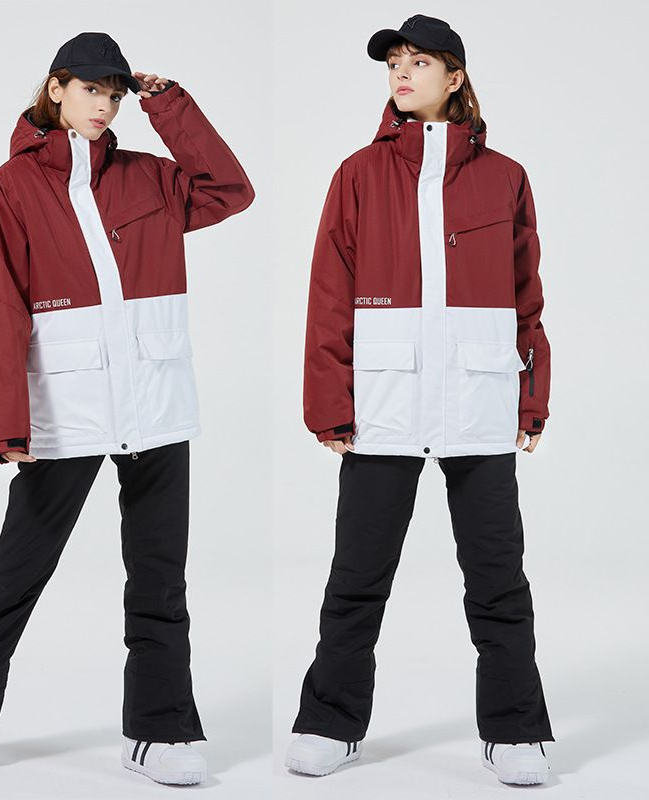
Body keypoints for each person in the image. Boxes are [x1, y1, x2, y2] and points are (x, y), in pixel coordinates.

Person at [0, 31, 253, 786]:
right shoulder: (12, 187)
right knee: (18, 572)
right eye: (92, 89)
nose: (105, 105)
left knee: (159, 580)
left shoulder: (151, 176)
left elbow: (231, 189)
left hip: (156, 402)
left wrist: (170, 105)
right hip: (65, 407)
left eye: (116, 94)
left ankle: (161, 730)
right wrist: (5, 422)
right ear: (57, 88)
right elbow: (1, 305)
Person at [284, 15, 554, 786]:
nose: (402, 73)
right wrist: (328, 402)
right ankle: (330, 721)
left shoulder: (505, 177)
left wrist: (531, 397)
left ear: (455, 77)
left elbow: (526, 297)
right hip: (385, 404)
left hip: (479, 402)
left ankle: (515, 729)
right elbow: (328, 295)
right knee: (357, 577)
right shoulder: (357, 175)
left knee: (498, 579)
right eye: (393, 62)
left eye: (419, 61)